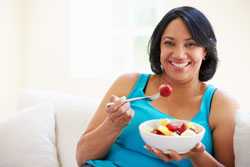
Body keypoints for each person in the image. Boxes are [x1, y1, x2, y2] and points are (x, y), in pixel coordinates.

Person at [76, 6, 237, 167]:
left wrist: (197, 155)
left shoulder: (220, 104)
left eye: (191, 44)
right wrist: (113, 124)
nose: (179, 55)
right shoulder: (128, 83)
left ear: (205, 51)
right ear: (159, 47)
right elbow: (81, 157)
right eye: (169, 43)